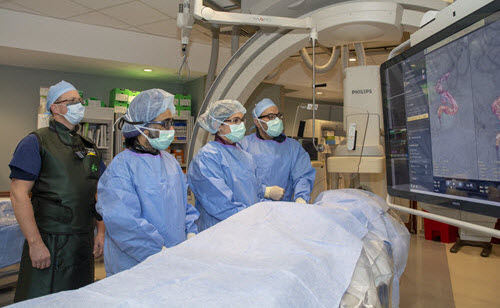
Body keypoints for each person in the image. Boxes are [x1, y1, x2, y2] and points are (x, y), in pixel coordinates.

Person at [9, 80, 106, 302]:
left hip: (82, 241)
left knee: (78, 298)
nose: (78, 105)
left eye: (79, 100)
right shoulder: (36, 142)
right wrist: (35, 243)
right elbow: (18, 194)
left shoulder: (89, 146)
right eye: (71, 101)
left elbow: (99, 192)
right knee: (43, 299)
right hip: (49, 241)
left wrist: (100, 231)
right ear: (55, 107)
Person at [96, 89, 199, 276]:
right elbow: (124, 222)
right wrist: (157, 251)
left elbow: (183, 206)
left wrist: (190, 232)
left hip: (174, 258)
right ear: (144, 127)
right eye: (166, 123)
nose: (171, 130)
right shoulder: (121, 168)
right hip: (135, 264)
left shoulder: (170, 162)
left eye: (172, 123)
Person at [187, 99, 285, 232]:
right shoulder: (207, 157)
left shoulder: (245, 156)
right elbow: (220, 204)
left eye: (242, 120)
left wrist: (268, 211)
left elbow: (253, 193)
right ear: (219, 125)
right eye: (235, 120)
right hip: (220, 231)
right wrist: (253, 218)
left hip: (246, 227)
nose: (241, 125)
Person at [239, 98, 316, 203]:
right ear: (257, 122)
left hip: (282, 209)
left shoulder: (293, 147)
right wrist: (265, 191)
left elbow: (303, 176)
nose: (276, 120)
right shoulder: (244, 145)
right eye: (270, 117)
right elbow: (240, 179)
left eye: (278, 116)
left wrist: (301, 198)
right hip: (253, 209)